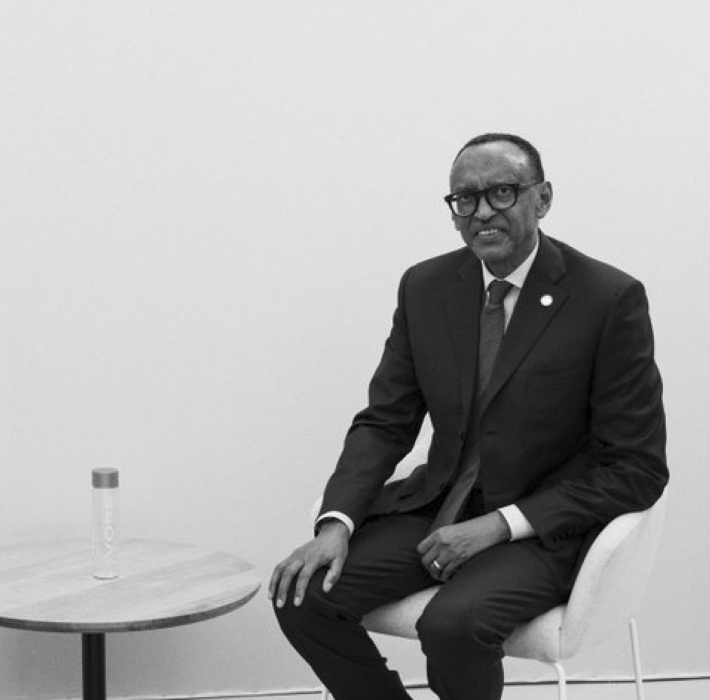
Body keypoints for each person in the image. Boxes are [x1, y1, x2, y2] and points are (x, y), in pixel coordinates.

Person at [269, 133, 667, 700]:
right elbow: (385, 421)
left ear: (542, 198)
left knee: (452, 626)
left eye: (502, 192)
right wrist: (336, 524)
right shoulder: (427, 287)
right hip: (438, 505)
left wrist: (502, 524)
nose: (481, 212)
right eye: (465, 198)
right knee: (302, 593)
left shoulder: (608, 299)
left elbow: (637, 469)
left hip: (540, 528)